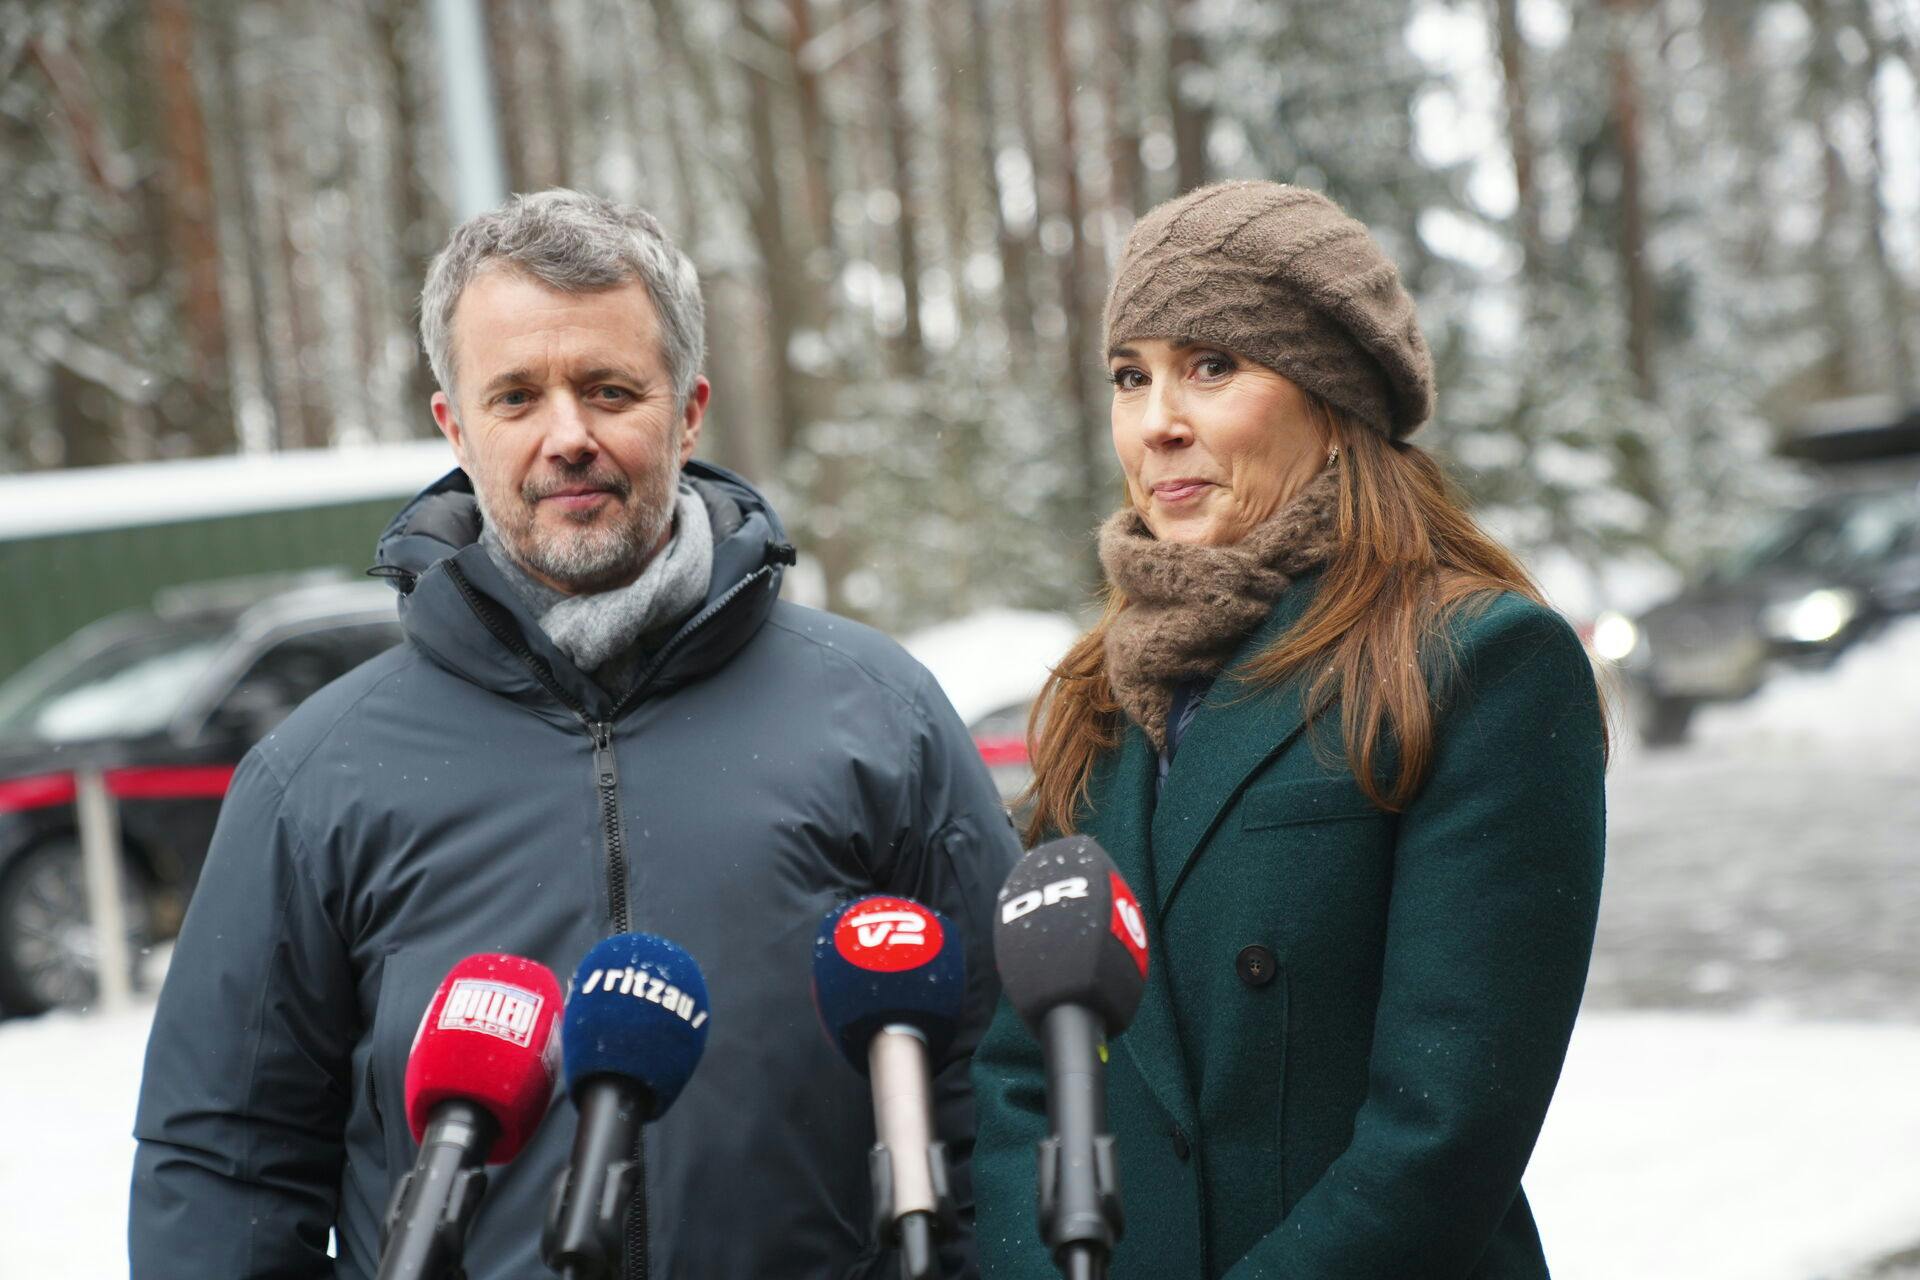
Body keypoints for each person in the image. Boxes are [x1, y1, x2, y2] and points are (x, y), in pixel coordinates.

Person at [130, 189, 1019, 1278]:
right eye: (516, 395)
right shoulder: (316, 775)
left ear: (688, 412)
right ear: (455, 426)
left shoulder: (881, 713)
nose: (568, 437)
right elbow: (223, 1163)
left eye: (609, 389)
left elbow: (1002, 1078)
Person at [971, 180, 1608, 1279]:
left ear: (1331, 396)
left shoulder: (1481, 662)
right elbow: (1022, 1071)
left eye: (1213, 365)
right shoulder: (1102, 686)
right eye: (1132, 376)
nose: (1159, 419)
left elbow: (1443, 1130)